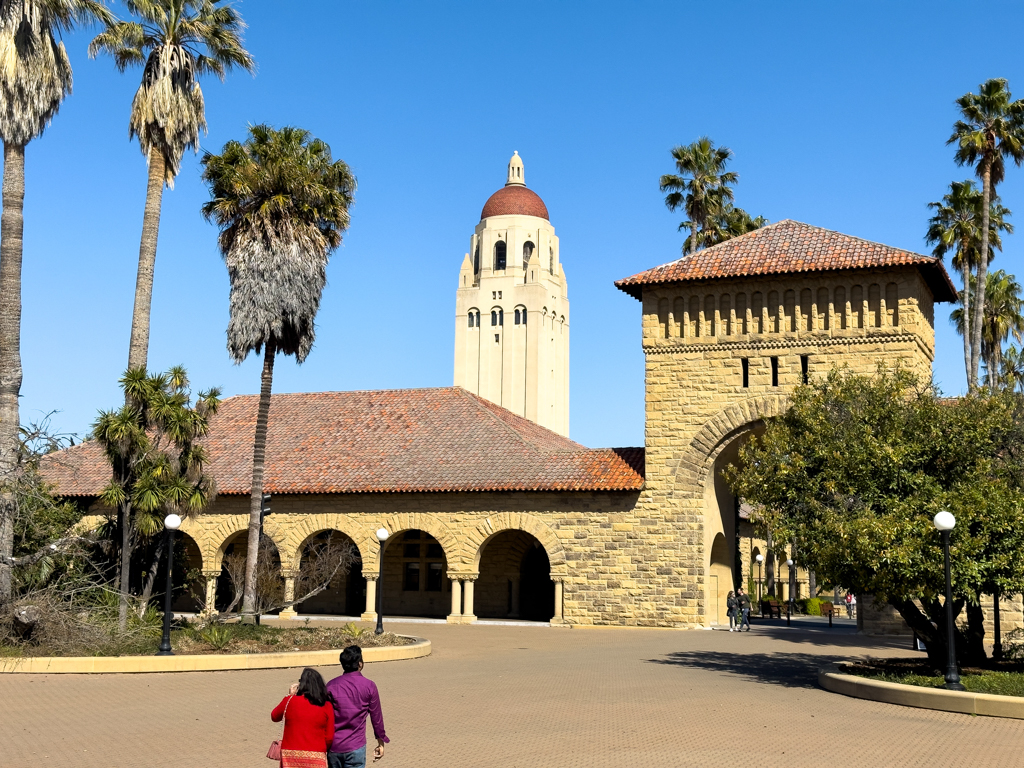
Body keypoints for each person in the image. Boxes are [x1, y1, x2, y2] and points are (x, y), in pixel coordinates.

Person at [326, 645, 390, 767]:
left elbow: (323, 716)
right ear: (360, 664)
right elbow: (377, 718)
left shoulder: (331, 686)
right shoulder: (369, 686)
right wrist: (380, 742)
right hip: (356, 747)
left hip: (334, 747)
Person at [271, 667, 335, 768]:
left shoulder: (290, 700)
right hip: (316, 756)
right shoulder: (326, 706)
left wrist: (289, 695)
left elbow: (274, 716)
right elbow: (329, 737)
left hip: (290, 755)